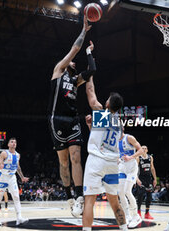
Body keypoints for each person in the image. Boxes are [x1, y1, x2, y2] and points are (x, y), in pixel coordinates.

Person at [47, 15, 95, 217]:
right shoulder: (58, 70)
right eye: (72, 61)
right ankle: (68, 196)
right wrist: (84, 30)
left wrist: (89, 52)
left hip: (73, 119)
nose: (74, 62)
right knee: (64, 162)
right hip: (56, 119)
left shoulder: (75, 81)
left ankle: (78, 198)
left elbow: (92, 70)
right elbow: (73, 49)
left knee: (77, 157)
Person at [82, 76, 127, 231]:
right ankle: (124, 228)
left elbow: (90, 91)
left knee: (89, 201)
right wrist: (91, 126)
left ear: (108, 103)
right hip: (112, 163)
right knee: (115, 202)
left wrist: (90, 74)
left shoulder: (102, 114)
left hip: (96, 161)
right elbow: (105, 139)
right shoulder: (120, 124)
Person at [0, 137, 29, 226]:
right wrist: (0, 165)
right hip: (3, 177)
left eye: (15, 142)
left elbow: (18, 167)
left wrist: (22, 177)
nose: (13, 143)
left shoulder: (18, 155)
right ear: (8, 144)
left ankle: (19, 218)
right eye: (11, 142)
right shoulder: (5, 153)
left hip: (12, 177)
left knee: (16, 197)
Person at [118, 132, 144, 228]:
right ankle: (127, 215)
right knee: (120, 192)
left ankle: (136, 216)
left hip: (132, 167)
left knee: (127, 191)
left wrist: (131, 157)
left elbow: (141, 150)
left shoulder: (129, 138)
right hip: (122, 166)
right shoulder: (115, 140)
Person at [136, 146, 157, 220]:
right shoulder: (138, 157)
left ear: (147, 150)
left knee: (149, 196)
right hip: (141, 178)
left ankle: (147, 213)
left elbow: (152, 168)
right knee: (140, 195)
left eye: (145, 148)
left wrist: (155, 179)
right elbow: (135, 169)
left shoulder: (150, 157)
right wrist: (137, 179)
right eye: (142, 148)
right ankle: (138, 212)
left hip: (149, 179)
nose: (144, 149)